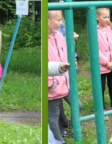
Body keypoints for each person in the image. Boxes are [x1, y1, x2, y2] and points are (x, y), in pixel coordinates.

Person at [47, 10, 70, 143]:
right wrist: (50, 81)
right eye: (59, 20)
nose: (62, 23)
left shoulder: (59, 36)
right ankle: (60, 140)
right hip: (53, 84)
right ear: (48, 21)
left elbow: (64, 55)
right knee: (54, 115)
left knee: (77, 105)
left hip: (64, 80)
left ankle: (70, 127)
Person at [96, 8, 112, 115]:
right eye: (104, 17)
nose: (107, 19)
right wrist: (106, 62)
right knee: (101, 88)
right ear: (97, 17)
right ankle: (102, 109)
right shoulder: (94, 30)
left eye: (108, 17)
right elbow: (95, 50)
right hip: (102, 65)